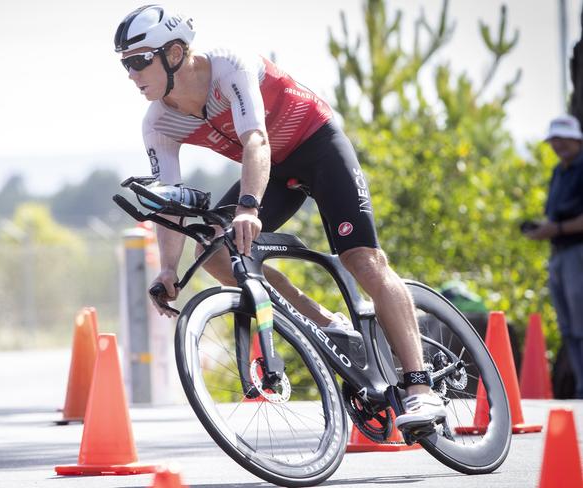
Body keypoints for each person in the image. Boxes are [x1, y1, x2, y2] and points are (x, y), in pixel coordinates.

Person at [114, 4, 446, 429]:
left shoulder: (228, 66)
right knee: (216, 251)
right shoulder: (159, 122)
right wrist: (168, 269)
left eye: (140, 60)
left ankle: (420, 389)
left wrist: (249, 207)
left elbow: (256, 139)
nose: (132, 73)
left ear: (174, 54)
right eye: (125, 64)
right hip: (275, 173)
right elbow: (170, 204)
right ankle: (326, 323)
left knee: (362, 260)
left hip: (316, 146)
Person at [524, 114, 583, 399]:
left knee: (581, 320)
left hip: (578, 252)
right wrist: (542, 229)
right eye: (554, 140)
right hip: (559, 253)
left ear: (576, 139)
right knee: (568, 325)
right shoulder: (559, 172)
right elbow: (555, 214)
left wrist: (555, 228)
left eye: (562, 138)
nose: (557, 145)